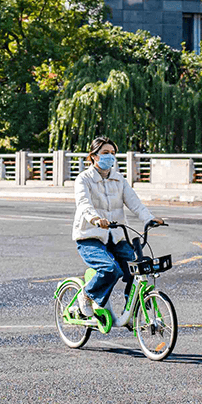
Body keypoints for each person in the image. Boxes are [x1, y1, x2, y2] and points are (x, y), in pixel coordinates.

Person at [73, 136, 164, 320]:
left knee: (136, 269)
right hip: (90, 236)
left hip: (116, 236)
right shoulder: (84, 179)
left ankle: (131, 313)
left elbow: (135, 203)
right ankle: (87, 295)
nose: (110, 156)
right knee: (110, 269)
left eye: (113, 153)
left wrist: (149, 219)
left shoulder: (118, 179)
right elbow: (84, 203)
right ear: (94, 156)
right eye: (105, 153)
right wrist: (95, 219)